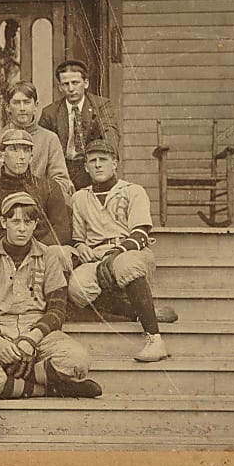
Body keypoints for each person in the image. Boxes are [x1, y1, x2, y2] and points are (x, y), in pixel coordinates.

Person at [0, 192, 101, 399]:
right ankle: (50, 389)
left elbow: (57, 309)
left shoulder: (49, 256)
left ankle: (16, 379)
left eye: (28, 222)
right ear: (3, 222)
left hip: (37, 331)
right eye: (15, 221)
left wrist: (30, 340)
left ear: (35, 224)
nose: (21, 228)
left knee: (77, 361)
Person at [67, 139, 169, 362]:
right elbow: (77, 237)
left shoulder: (133, 191)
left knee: (126, 264)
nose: (98, 165)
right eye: (92, 161)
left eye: (103, 160)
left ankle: (155, 338)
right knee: (76, 287)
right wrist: (80, 246)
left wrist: (115, 254)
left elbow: (141, 233)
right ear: (85, 167)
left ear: (115, 163)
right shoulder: (80, 197)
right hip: (96, 254)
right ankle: (136, 312)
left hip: (130, 250)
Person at [0, 80, 74, 199]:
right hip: (7, 206)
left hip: (44, 203)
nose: (22, 108)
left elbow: (61, 181)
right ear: (7, 107)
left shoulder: (49, 139)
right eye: (16, 103)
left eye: (27, 102)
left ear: (35, 105)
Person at [0, 129, 71, 249]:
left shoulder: (49, 188)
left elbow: (62, 230)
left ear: (31, 157)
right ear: (1, 156)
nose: (21, 156)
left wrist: (32, 251)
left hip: (41, 255)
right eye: (14, 150)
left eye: (26, 151)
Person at [39, 60, 120, 190]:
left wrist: (106, 164)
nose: (71, 89)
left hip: (92, 166)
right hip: (62, 168)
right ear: (60, 87)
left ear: (86, 83)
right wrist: (61, 178)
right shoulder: (50, 113)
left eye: (75, 83)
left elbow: (110, 134)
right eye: (66, 84)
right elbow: (42, 147)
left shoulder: (100, 106)